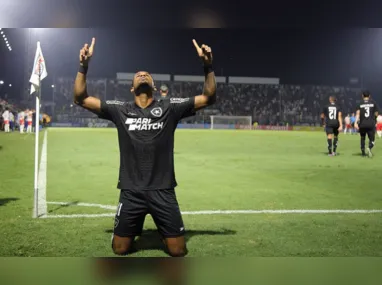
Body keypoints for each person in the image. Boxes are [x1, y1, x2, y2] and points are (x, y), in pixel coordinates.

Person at [73, 38, 216, 257]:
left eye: (147, 74)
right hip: (131, 190)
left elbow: (208, 97)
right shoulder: (120, 109)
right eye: (138, 74)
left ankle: (163, 230)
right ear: (132, 87)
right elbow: (81, 98)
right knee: (120, 250)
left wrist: (208, 66)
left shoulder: (170, 108)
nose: (142, 74)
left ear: (154, 86)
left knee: (178, 251)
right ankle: (128, 230)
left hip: (163, 189)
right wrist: (83, 66)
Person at [354, 91, 379, 157]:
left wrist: (355, 123)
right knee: (372, 139)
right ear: (369, 96)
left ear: (362, 96)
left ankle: (363, 153)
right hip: (371, 123)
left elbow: (357, 113)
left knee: (362, 138)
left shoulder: (360, 103)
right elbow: (376, 113)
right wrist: (375, 119)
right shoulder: (373, 103)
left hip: (362, 124)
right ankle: (369, 147)